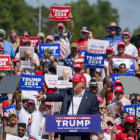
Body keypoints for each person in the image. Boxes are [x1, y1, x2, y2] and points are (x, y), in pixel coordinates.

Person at [35, 73, 100, 140]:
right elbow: (56, 96)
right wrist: (44, 96)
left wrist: (96, 123)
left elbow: (95, 114)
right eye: (72, 82)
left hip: (82, 133)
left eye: (75, 82)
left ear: (83, 84)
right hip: (66, 131)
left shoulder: (91, 97)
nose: (73, 84)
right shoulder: (67, 92)